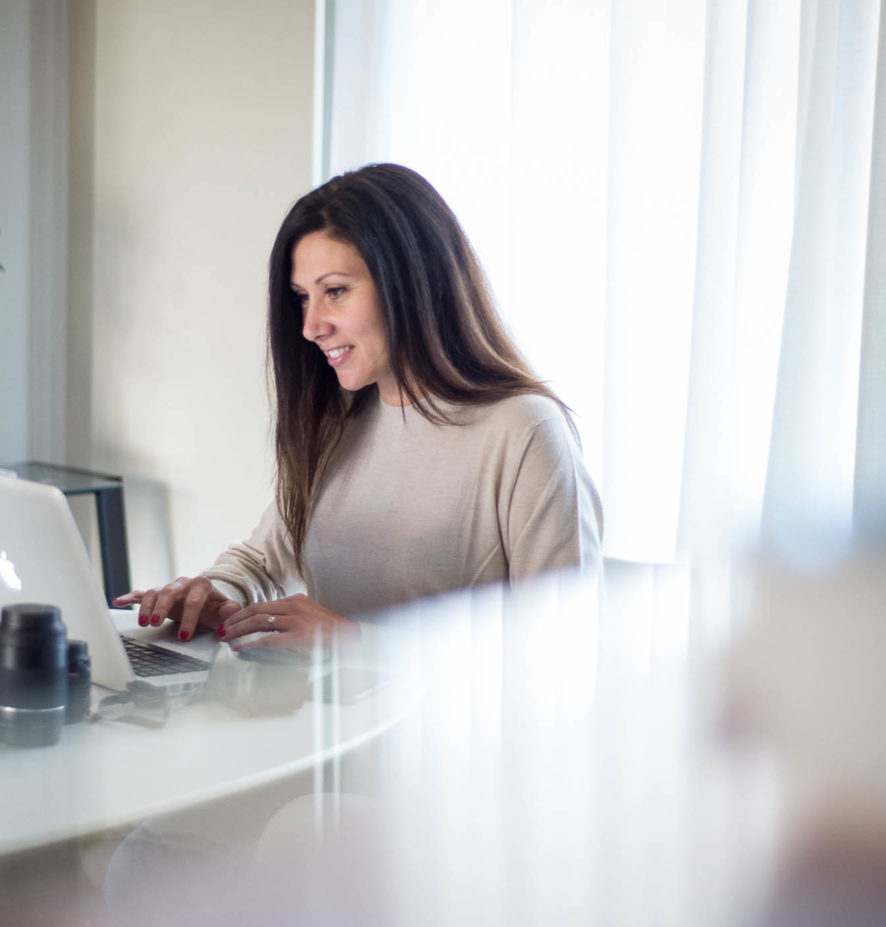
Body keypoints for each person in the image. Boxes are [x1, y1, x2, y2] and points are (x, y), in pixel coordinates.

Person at [114, 163, 602, 649]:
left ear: (415, 281)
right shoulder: (338, 421)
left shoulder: (524, 431)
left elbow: (559, 648)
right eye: (302, 298)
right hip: (324, 722)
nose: (310, 326)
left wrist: (352, 644)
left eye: (336, 291)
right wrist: (211, 595)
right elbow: (264, 561)